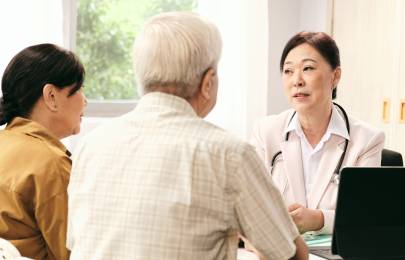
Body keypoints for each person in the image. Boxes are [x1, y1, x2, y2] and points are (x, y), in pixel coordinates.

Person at [67, 12, 308, 260]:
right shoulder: (228, 154)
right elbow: (291, 255)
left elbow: (77, 244)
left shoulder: (92, 145)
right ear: (208, 83)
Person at [251, 31, 385, 235]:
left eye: (308, 68)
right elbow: (250, 203)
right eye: (288, 71)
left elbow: (365, 215)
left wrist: (319, 219)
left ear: (335, 76)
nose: (296, 80)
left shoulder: (366, 140)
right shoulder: (266, 132)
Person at [0, 43, 86, 260]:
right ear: (51, 97)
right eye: (79, 90)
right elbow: (73, 253)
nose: (85, 101)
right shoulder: (51, 163)